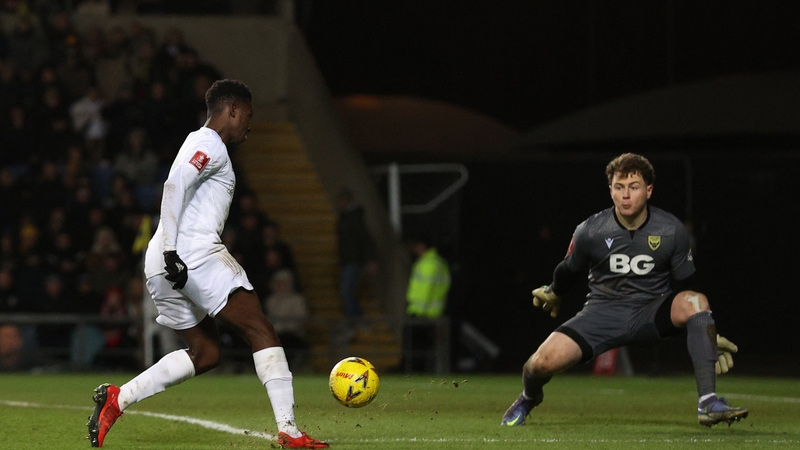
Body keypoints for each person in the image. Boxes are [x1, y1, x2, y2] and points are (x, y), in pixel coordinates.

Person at [86, 79, 328, 449]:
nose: (249, 123)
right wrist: (172, 251)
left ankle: (119, 399)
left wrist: (166, 253)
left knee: (207, 352)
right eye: (247, 115)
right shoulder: (209, 144)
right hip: (189, 253)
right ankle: (290, 430)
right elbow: (173, 186)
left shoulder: (201, 143)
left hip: (162, 260)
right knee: (261, 330)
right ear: (231, 110)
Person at [500, 153, 747, 428]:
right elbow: (569, 268)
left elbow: (689, 286)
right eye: (619, 187)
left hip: (651, 312)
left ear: (649, 190)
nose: (625, 195)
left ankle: (708, 403)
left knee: (697, 301)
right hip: (602, 313)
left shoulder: (671, 230)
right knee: (538, 364)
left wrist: (707, 330)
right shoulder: (590, 230)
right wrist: (555, 291)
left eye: (634, 187)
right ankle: (529, 397)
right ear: (610, 191)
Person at [403, 235, 451, 372]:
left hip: (422, 313)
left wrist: (418, 311)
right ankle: (422, 371)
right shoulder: (438, 262)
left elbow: (426, 290)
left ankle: (416, 372)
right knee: (427, 349)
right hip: (433, 312)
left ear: (423, 246)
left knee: (418, 349)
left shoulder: (428, 263)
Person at [335, 187, 377, 329]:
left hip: (354, 260)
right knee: (347, 292)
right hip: (349, 260)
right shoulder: (346, 217)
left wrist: (370, 259)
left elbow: (365, 239)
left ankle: (356, 320)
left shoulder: (353, 218)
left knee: (346, 292)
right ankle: (356, 319)